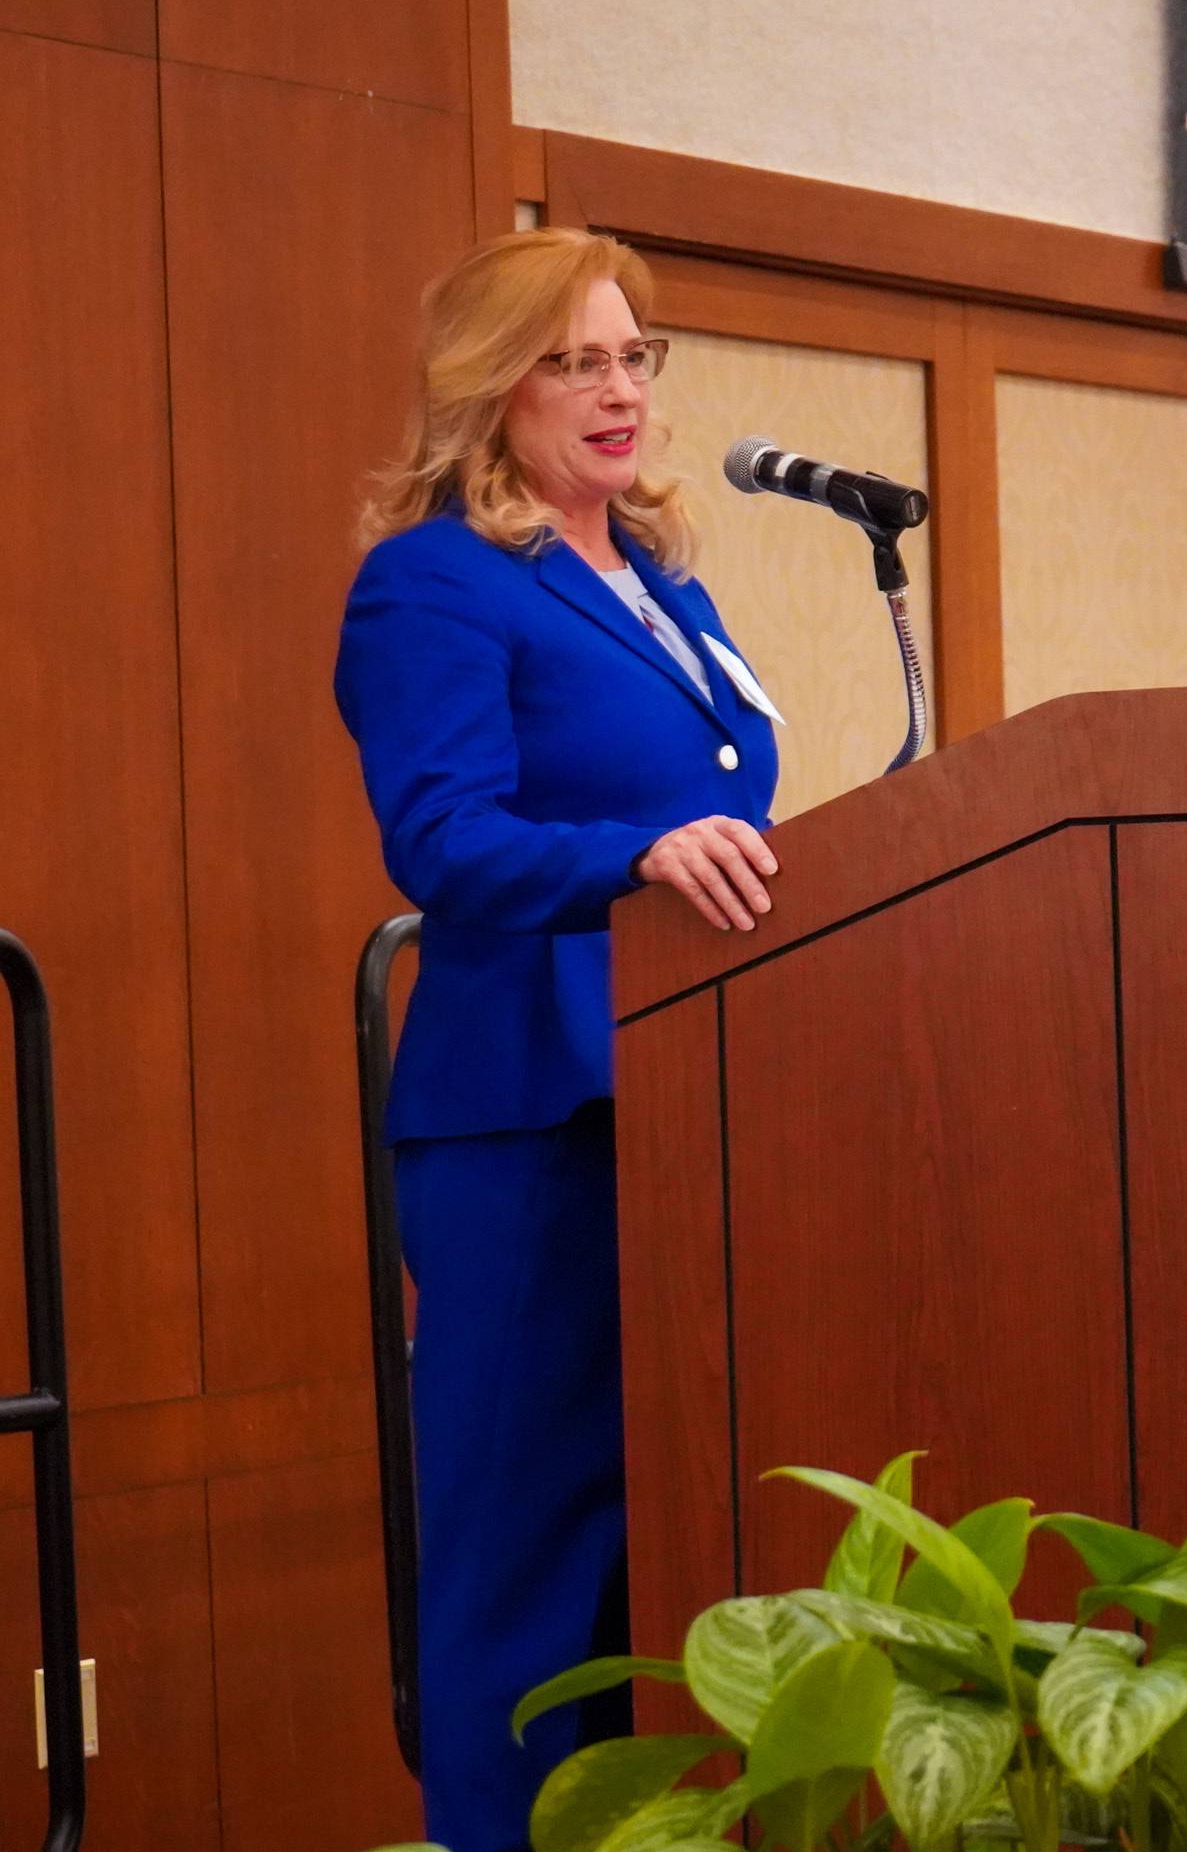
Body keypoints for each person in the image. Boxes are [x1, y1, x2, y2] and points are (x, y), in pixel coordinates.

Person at [334, 228, 781, 1852]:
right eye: (569, 359)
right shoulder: (434, 580)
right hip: (526, 1119)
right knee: (526, 1548)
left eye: (632, 356)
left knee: (649, 1540)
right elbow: (443, 839)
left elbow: (722, 804)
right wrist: (634, 854)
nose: (615, 391)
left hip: (677, 1097)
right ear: (488, 386)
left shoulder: (662, 581)